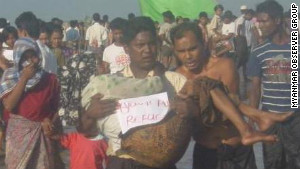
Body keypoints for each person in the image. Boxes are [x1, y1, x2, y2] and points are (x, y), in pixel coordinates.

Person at [82, 17, 277, 169]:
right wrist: (90, 115)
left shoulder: (176, 81)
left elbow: (205, 117)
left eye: (151, 44)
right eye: (140, 46)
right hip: (122, 162)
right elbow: (86, 131)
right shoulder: (109, 84)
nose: (147, 50)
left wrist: (192, 112)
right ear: (126, 48)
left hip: (165, 163)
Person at [171, 22, 291, 169]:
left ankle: (257, 117)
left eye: (193, 49)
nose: (188, 56)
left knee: (211, 89)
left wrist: (196, 102)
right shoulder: (177, 77)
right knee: (209, 88)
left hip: (237, 149)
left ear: (204, 43)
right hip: (206, 151)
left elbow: (228, 114)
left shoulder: (224, 65)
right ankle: (258, 115)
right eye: (181, 51)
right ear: (175, 51)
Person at [247, 1, 300, 168]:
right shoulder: (259, 51)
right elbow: (255, 88)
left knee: (296, 160)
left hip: (295, 117)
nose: (260, 25)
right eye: (258, 21)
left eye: (264, 21)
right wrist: (252, 117)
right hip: (269, 117)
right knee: (272, 162)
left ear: (277, 20)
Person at [0, 37, 64, 169]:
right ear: (18, 58)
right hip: (18, 137)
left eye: (33, 56)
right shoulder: (10, 77)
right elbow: (9, 105)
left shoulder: (50, 79)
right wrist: (24, 79)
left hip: (43, 135)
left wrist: (50, 120)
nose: (30, 62)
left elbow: (56, 109)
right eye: (25, 58)